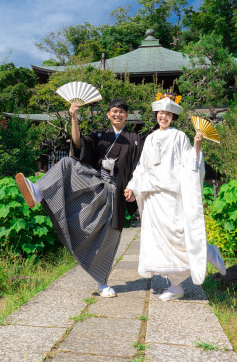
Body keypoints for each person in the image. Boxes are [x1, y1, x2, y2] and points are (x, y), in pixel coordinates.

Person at [16, 98, 143, 297]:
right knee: (67, 162)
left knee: (109, 238)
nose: (117, 114)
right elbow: (78, 144)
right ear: (108, 114)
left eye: (121, 111)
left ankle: (102, 282)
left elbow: (142, 167)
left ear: (127, 115)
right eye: (113, 111)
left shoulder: (136, 140)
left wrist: (134, 187)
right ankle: (39, 192)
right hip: (96, 183)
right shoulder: (100, 135)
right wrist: (74, 118)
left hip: (118, 192)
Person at [124, 94, 227, 301]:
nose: (164, 117)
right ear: (156, 115)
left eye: (168, 114)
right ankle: (176, 285)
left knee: (178, 235)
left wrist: (197, 145)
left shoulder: (179, 136)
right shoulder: (150, 138)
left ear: (173, 116)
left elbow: (190, 162)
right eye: (161, 113)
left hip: (171, 195)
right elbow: (141, 167)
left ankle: (205, 251)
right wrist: (131, 187)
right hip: (153, 197)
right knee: (159, 241)